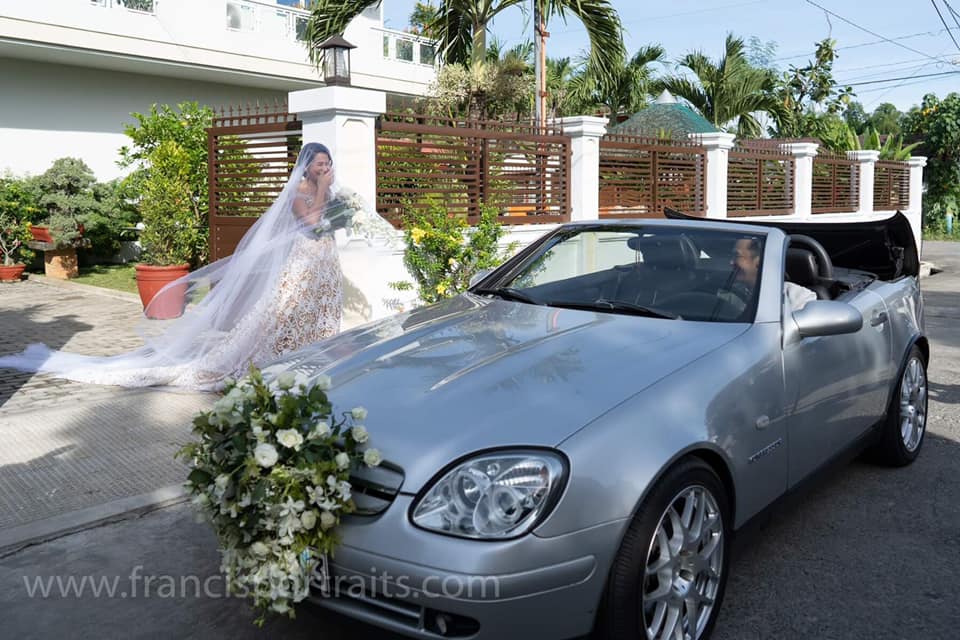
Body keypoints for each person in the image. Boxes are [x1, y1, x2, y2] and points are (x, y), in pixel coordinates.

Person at [0, 142, 394, 391]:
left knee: (321, 311)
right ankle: (277, 356)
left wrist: (349, 214)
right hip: (303, 262)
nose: (326, 168)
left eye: (329, 163)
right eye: (320, 163)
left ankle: (312, 358)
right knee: (283, 312)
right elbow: (309, 221)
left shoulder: (328, 189)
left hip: (325, 262)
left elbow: (330, 221)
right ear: (306, 167)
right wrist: (326, 191)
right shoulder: (300, 192)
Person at [729, 236, 816, 314]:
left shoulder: (796, 297)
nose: (731, 262)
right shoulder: (728, 292)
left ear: (759, 261)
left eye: (737, 256)